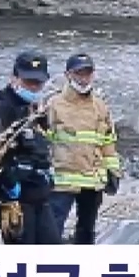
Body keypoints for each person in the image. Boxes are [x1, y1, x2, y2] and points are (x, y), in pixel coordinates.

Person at [0, 49, 62, 245]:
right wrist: (8, 184)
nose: (33, 87)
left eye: (38, 83)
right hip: (15, 200)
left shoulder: (36, 109)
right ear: (14, 78)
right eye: (28, 82)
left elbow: (43, 143)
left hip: (40, 194)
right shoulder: (1, 108)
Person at [45, 53, 122, 244]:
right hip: (62, 180)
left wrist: (113, 170)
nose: (83, 78)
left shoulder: (100, 106)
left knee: (87, 230)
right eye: (79, 73)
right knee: (53, 230)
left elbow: (108, 141)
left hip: (92, 179)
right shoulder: (54, 105)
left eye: (87, 73)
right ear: (68, 75)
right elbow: (42, 142)